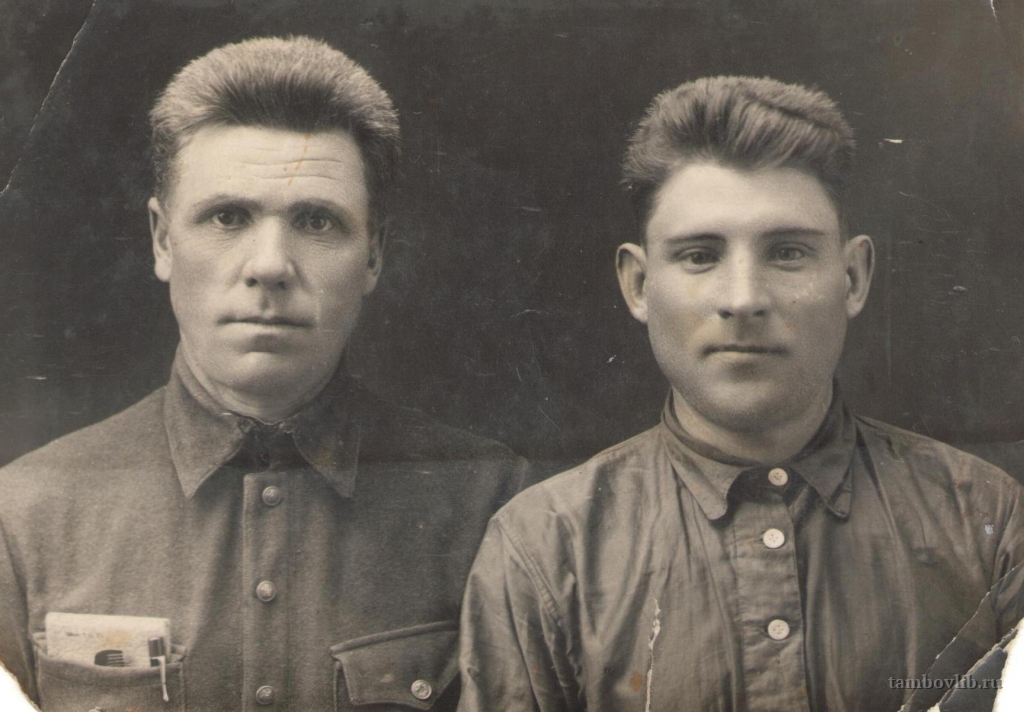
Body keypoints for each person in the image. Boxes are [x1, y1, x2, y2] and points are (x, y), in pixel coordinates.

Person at [457, 76, 1024, 712]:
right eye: (700, 256)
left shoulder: (988, 522)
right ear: (639, 285)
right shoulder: (543, 548)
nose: (744, 298)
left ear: (853, 276)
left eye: (787, 253)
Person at [0, 36, 525, 711]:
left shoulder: (488, 503)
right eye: (228, 217)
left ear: (374, 254)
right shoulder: (23, 519)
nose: (270, 264)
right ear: (163, 239)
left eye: (316, 221)